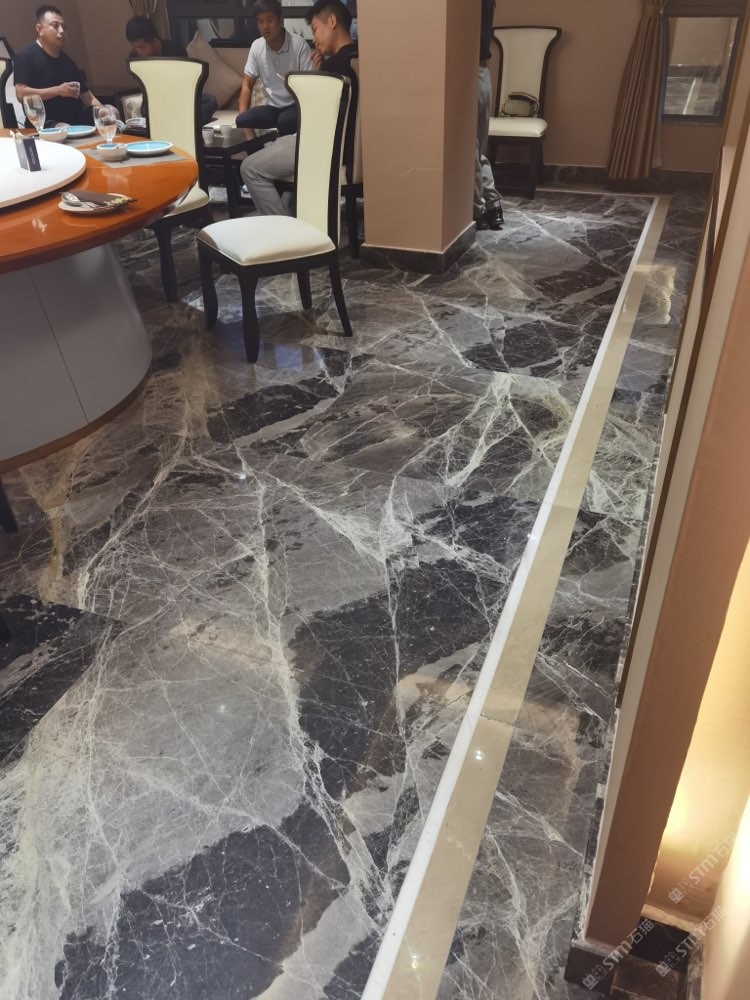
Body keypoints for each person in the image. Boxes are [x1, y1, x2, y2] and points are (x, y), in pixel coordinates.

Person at [240, 0, 357, 216]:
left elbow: (312, 114)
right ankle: (287, 211)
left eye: (315, 29)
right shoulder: (358, 58)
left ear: (332, 21)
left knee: (249, 168)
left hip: (320, 146)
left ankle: (282, 226)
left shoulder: (333, 68)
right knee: (279, 142)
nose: (315, 38)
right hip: (347, 147)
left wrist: (320, 74)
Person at [236, 0, 315, 137]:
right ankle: (256, 150)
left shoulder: (299, 45)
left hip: (296, 105)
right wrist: (246, 129)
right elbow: (246, 84)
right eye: (260, 22)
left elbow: (310, 86)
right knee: (242, 120)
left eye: (269, 20)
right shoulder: (257, 46)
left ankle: (284, 149)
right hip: (273, 108)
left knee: (284, 121)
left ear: (280, 20)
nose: (265, 26)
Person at [13, 4, 101, 126]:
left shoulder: (67, 61)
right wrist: (58, 90)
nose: (61, 31)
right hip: (44, 122)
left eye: (64, 27)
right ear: (39, 29)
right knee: (64, 128)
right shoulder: (25, 56)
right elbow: (21, 94)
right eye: (55, 25)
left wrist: (106, 113)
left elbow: (89, 98)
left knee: (110, 112)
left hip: (75, 118)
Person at [125, 15, 218, 126]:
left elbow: (184, 82)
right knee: (148, 111)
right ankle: (181, 122)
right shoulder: (134, 58)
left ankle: (176, 122)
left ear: (153, 40)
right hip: (154, 103)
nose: (139, 51)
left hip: (180, 100)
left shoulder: (175, 50)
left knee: (210, 101)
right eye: (135, 47)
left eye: (142, 47)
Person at [475, 0, 504, 231]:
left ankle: (479, 209)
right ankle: (492, 206)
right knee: (476, 148)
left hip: (468, 69)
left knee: (471, 148)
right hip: (480, 70)